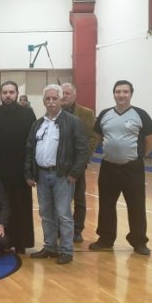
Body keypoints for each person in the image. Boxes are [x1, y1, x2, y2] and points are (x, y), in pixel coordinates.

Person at [90, 80, 152, 256]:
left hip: (133, 169)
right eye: (118, 91)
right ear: (113, 94)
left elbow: (151, 140)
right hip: (108, 168)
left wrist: (139, 156)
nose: (121, 95)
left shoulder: (141, 115)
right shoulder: (105, 114)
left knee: (136, 206)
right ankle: (105, 239)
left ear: (131, 94)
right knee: (106, 205)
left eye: (125, 92)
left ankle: (139, 241)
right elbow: (96, 137)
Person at [25, 84, 88, 265]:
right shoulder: (38, 124)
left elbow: (83, 150)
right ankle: (50, 247)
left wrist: (74, 173)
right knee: (46, 213)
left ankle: (66, 250)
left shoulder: (73, 122)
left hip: (63, 176)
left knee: (63, 214)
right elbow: (29, 149)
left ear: (61, 100)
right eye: (48, 99)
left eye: (54, 98)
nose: (51, 102)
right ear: (43, 101)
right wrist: (29, 173)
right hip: (42, 175)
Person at [0, 81, 36, 254]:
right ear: (0, 94)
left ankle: (21, 243)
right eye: (5, 92)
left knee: (21, 208)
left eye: (11, 92)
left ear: (17, 94)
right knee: (0, 207)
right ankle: (2, 242)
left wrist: (31, 170)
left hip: (20, 172)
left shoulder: (27, 114)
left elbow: (33, 142)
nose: (8, 95)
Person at [60, 83, 100, 243]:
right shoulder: (54, 112)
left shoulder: (86, 113)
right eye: (62, 93)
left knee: (79, 199)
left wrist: (82, 160)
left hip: (77, 164)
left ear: (75, 95)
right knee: (59, 199)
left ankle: (77, 230)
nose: (64, 96)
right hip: (58, 164)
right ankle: (60, 229)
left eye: (67, 93)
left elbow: (93, 138)